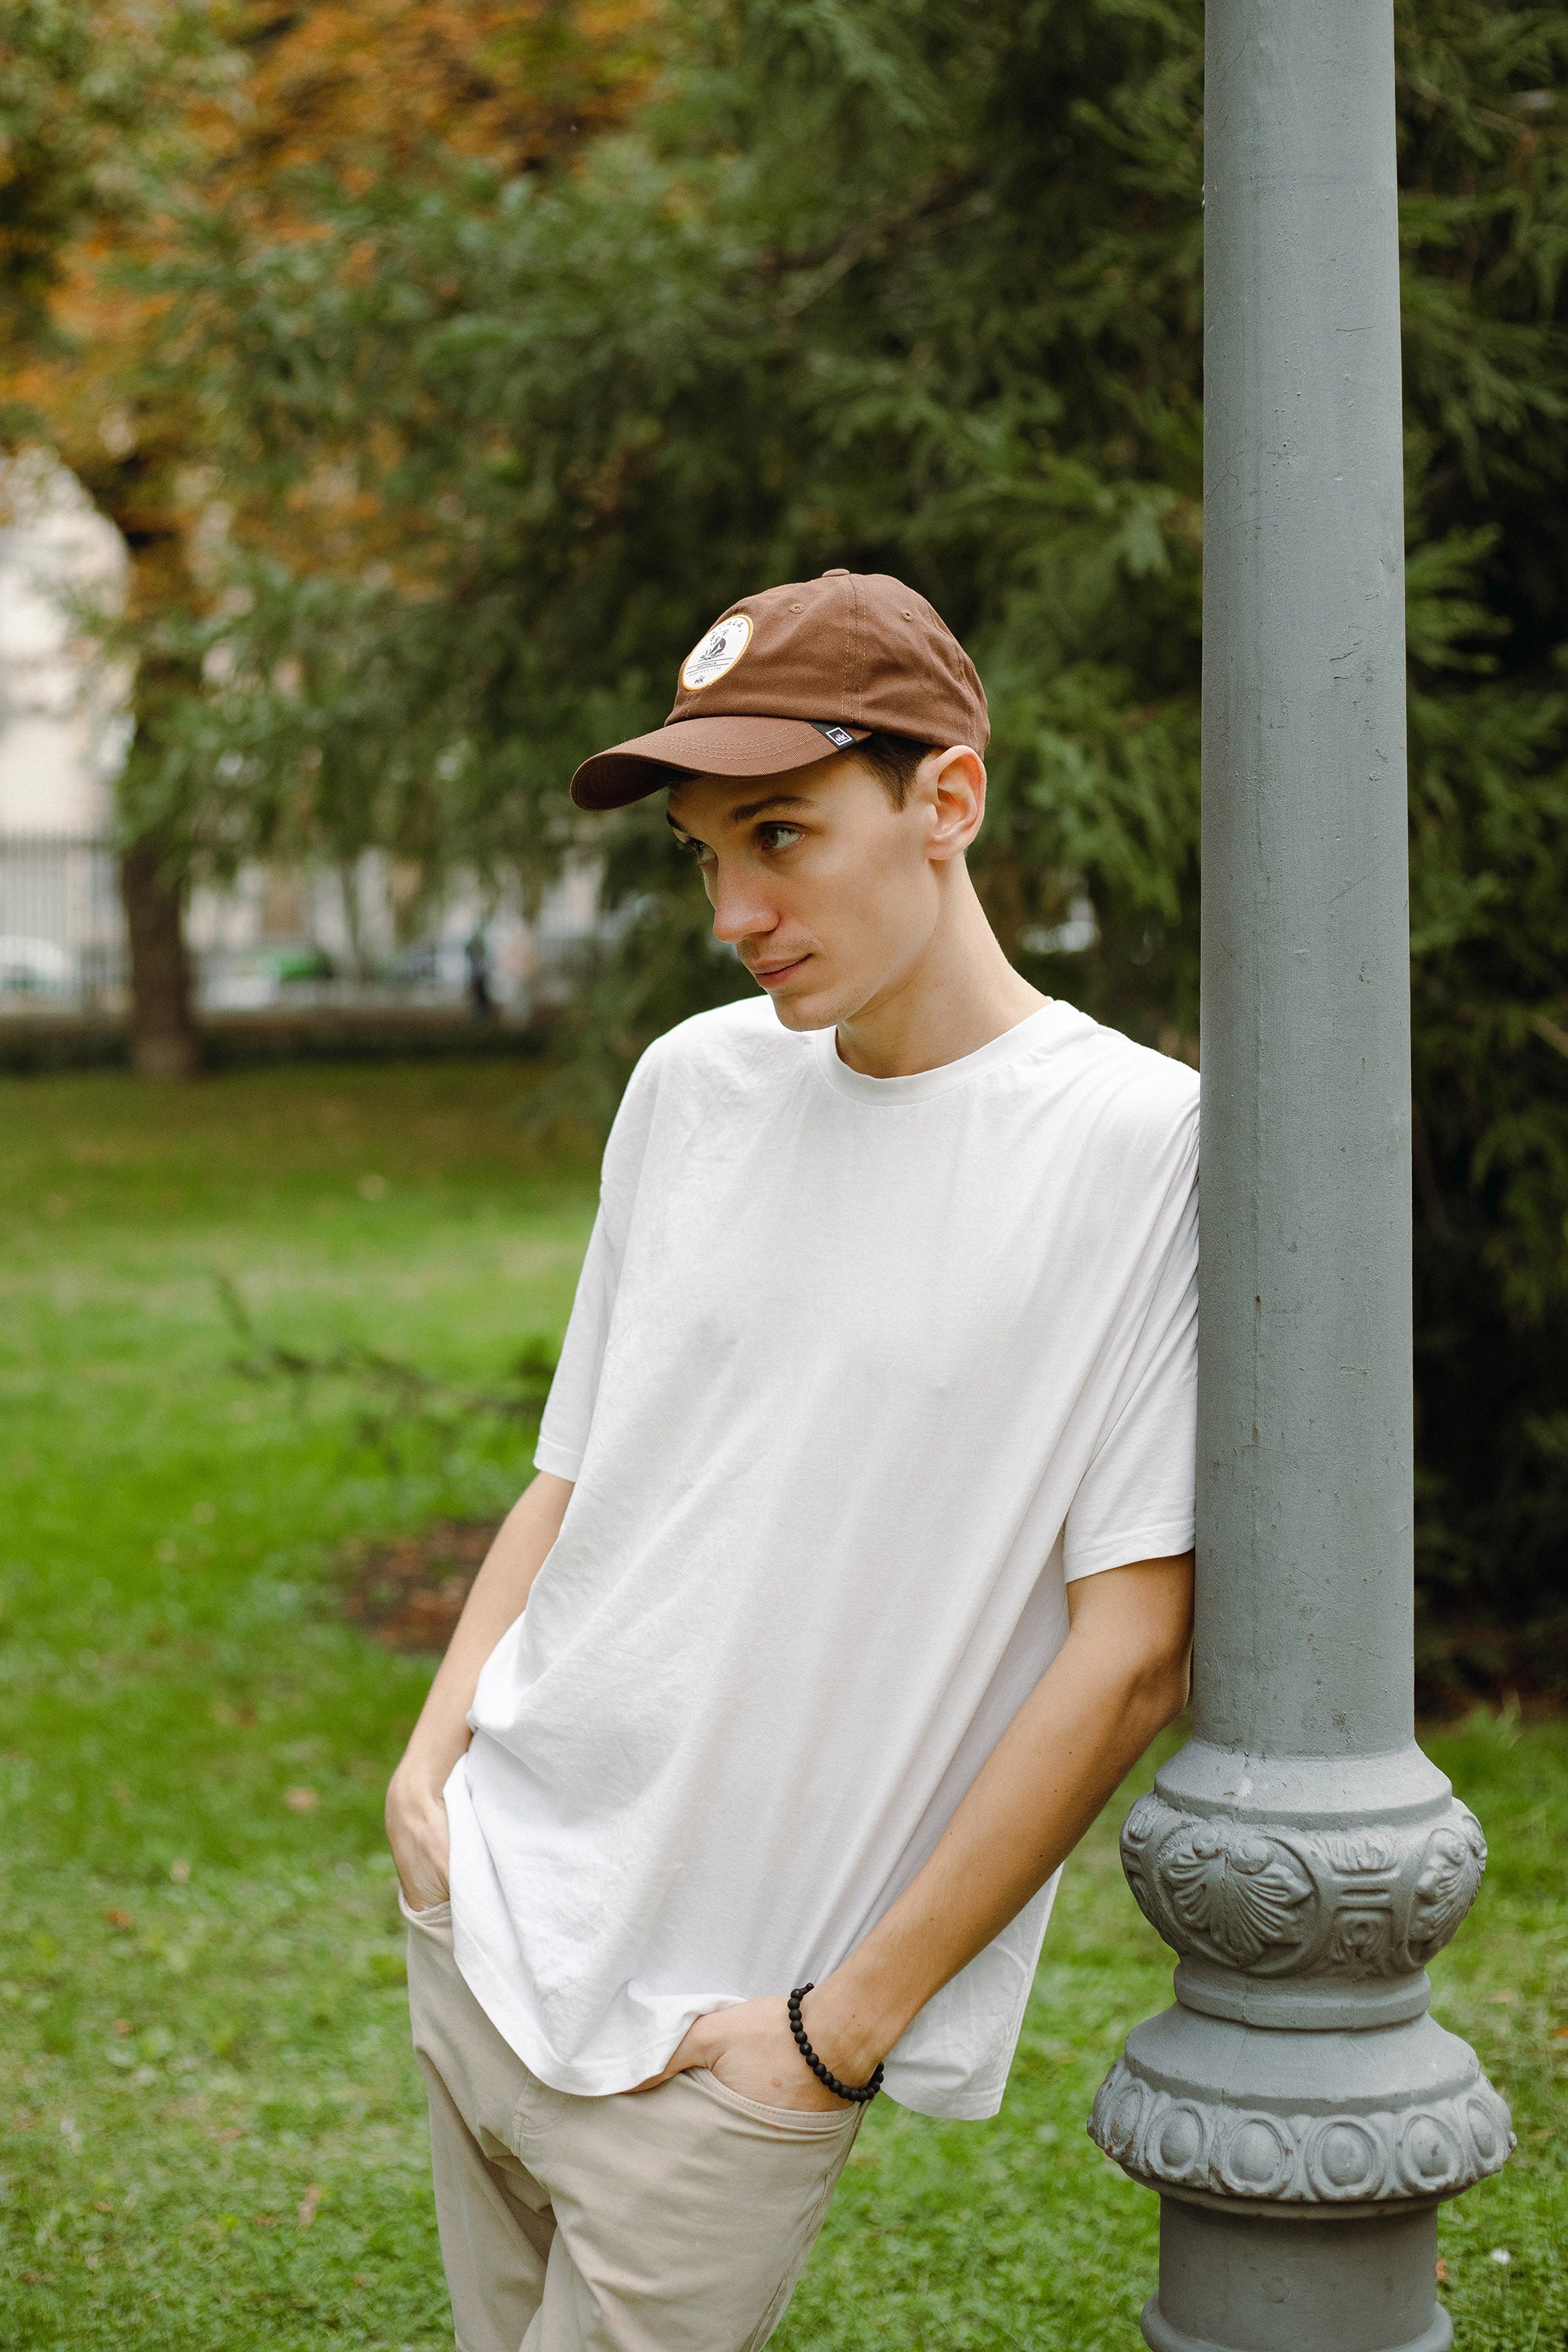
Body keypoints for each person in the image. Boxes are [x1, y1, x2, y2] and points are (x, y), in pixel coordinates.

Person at [386, 568, 1198, 2352]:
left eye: (781, 835)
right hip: (492, 1901)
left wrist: (836, 2033)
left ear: (946, 798)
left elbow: (1135, 1649)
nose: (735, 912)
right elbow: (578, 1467)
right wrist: (432, 1777)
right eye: (703, 855)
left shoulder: (1142, 1146)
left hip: (729, 2043)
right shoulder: (694, 1083)